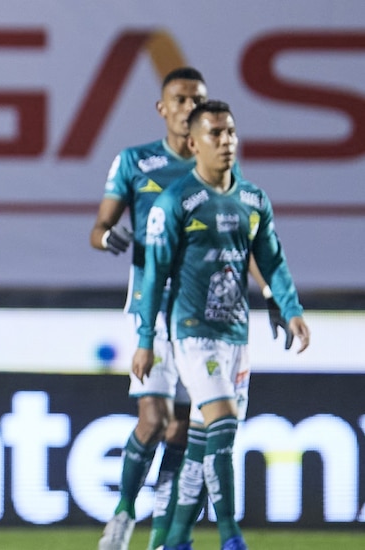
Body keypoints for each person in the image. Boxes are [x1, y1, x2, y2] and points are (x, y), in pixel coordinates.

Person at [90, 67, 283, 550]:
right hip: (152, 307)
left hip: (204, 313)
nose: (188, 107)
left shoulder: (218, 169)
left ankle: (164, 537)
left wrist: (270, 292)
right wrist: (108, 238)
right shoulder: (135, 161)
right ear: (162, 108)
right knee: (154, 419)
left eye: (196, 99)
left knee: (183, 431)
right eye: (180, 99)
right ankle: (123, 512)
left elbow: (245, 238)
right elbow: (99, 227)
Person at [132, 100, 310, 550]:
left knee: (202, 442)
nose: (226, 141)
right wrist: (146, 338)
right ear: (194, 144)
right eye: (215, 133)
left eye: (230, 131)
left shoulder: (253, 199)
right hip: (193, 334)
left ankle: (177, 537)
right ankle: (231, 535)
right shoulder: (176, 202)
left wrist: (290, 309)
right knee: (224, 423)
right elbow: (153, 275)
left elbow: (271, 260)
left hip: (236, 335)